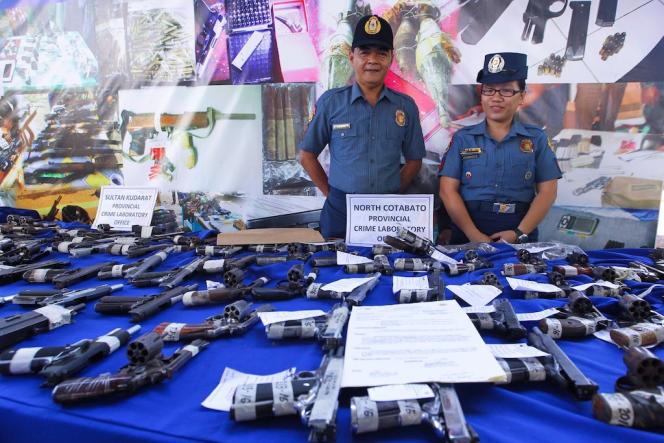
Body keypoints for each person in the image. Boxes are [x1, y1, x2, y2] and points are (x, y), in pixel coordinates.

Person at [299, 14, 425, 238]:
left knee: (387, 267)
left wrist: (392, 194)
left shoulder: (406, 106)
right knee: (335, 270)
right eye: (364, 52)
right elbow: (307, 155)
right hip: (340, 211)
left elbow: (414, 160)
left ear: (391, 58)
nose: (372, 60)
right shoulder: (331, 102)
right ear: (351, 57)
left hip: (387, 212)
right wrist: (332, 195)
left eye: (381, 53)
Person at [438, 52, 562, 244]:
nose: (496, 98)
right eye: (489, 90)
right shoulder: (463, 139)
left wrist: (518, 233)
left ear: (521, 97)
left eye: (505, 91)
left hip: (519, 232)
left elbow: (548, 192)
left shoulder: (536, 139)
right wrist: (474, 236)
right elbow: (447, 191)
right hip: (467, 233)